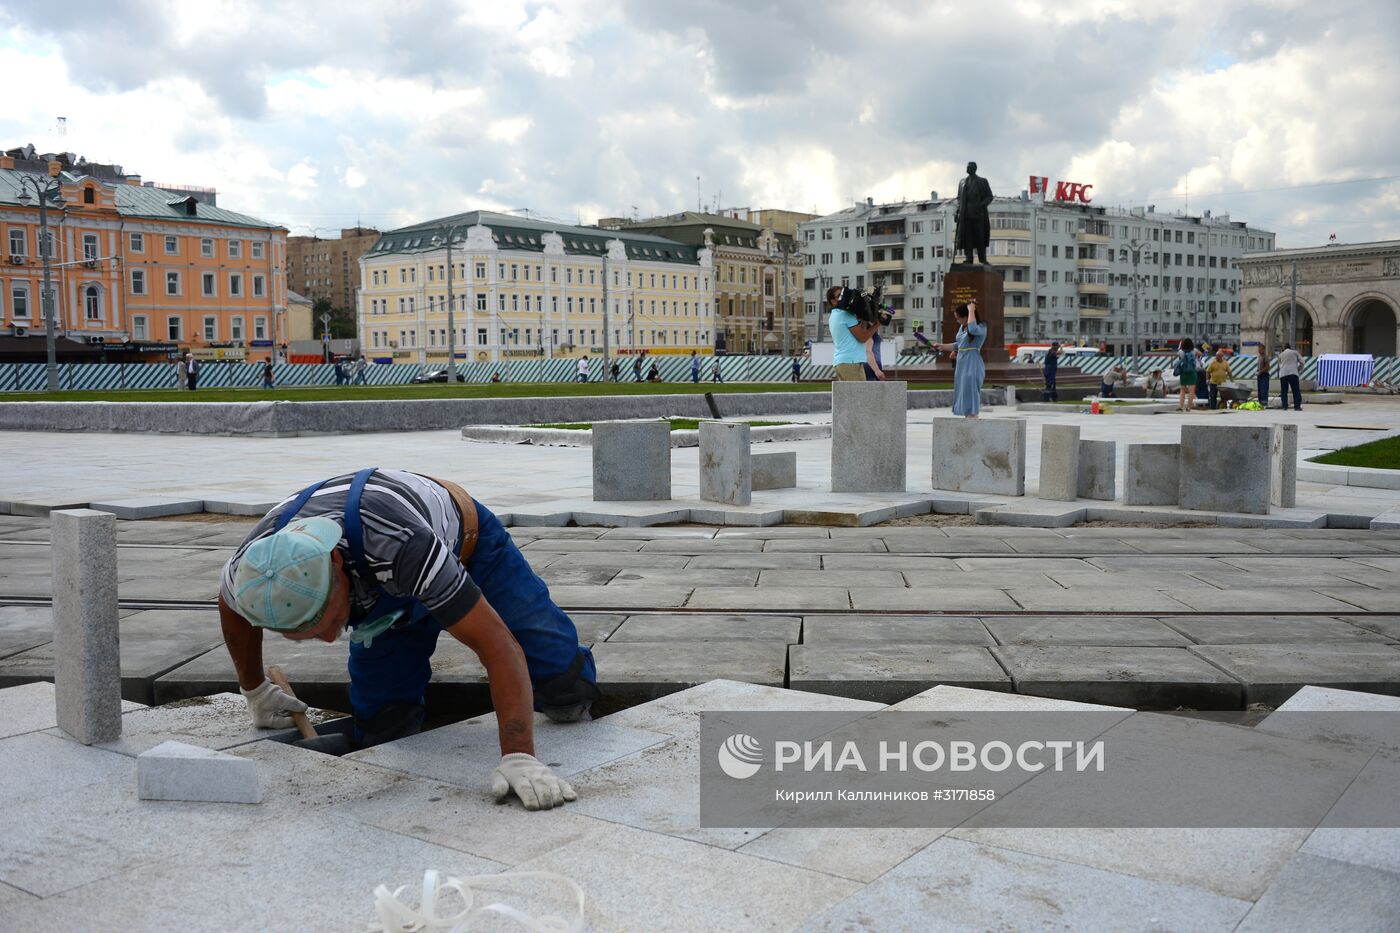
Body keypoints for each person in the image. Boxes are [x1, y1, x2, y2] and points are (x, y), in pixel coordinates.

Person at [218, 469, 598, 810]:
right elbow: (231, 608)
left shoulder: (398, 544)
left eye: (330, 619)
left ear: (335, 564)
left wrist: (519, 754)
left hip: (468, 547)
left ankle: (570, 677)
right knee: (385, 727)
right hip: (383, 591)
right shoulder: (252, 572)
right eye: (307, 634)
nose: (330, 638)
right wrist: (254, 690)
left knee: (566, 690)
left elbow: (498, 645)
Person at [933, 300, 986, 417]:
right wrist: (941, 346)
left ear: (966, 317)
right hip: (962, 362)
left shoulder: (981, 326)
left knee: (970, 389)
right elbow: (958, 345)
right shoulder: (962, 327)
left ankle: (972, 416)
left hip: (972, 362)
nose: (957, 321)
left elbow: (972, 329)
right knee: (962, 390)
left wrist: (971, 309)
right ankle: (967, 416)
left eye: (958, 318)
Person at [825, 285, 882, 381]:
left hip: (845, 362)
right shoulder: (845, 315)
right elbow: (863, 338)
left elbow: (861, 332)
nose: (843, 297)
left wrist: (865, 319)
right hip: (850, 363)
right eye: (839, 296)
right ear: (833, 301)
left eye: (843, 294)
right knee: (858, 395)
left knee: (851, 395)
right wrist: (877, 324)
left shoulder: (836, 314)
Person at [954, 161, 993, 265]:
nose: (966, 169)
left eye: (968, 167)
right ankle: (969, 258)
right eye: (966, 167)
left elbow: (989, 196)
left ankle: (982, 259)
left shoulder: (982, 181)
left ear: (974, 169)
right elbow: (959, 198)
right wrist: (958, 211)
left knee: (980, 237)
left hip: (978, 215)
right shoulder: (962, 182)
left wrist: (980, 205)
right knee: (968, 238)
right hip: (965, 216)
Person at [1276, 343, 1303, 411]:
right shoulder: (1295, 352)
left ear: (1284, 348)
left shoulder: (1280, 355)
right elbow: (1302, 362)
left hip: (1283, 374)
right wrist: (1298, 369)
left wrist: (1282, 369)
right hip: (1293, 373)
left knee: (1284, 391)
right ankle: (1297, 407)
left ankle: (1285, 406)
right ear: (1290, 347)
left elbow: (1279, 365)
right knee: (1296, 391)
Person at [1174, 338, 1197, 412]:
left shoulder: (1180, 352)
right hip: (1192, 372)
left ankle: (1181, 406)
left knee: (1182, 390)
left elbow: (1179, 359)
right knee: (1191, 390)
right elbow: (1201, 354)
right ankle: (1189, 407)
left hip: (1184, 372)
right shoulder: (1194, 351)